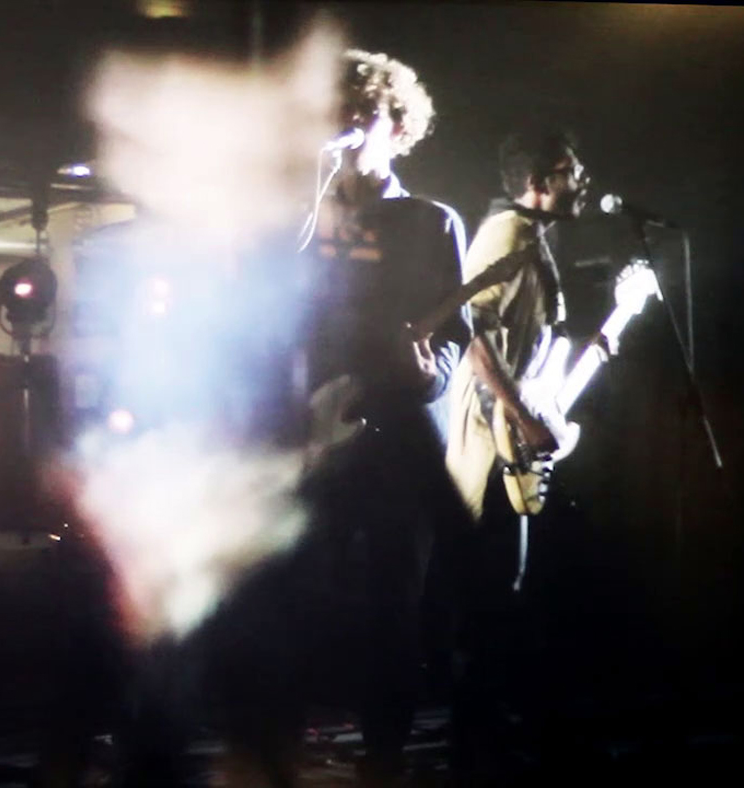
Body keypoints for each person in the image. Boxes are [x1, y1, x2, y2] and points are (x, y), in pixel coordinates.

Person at [298, 48, 473, 787]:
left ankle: (383, 753)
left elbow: (458, 329)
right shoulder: (302, 222)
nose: (342, 123)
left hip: (400, 431)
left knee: (393, 602)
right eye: (334, 110)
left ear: (397, 127)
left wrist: (431, 378)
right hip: (315, 432)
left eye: (360, 113)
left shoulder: (431, 221)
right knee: (294, 588)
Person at [442, 128, 591, 782]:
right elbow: (473, 337)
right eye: (570, 172)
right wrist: (524, 419)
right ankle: (471, 751)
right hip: (491, 448)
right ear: (538, 181)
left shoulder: (532, 238)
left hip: (509, 445)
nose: (581, 183)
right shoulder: (505, 235)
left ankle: (489, 739)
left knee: (505, 598)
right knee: (488, 600)